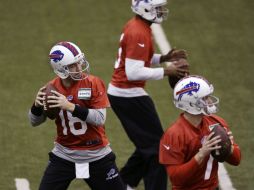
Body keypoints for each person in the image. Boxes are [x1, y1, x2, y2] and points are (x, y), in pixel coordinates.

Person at [107, 0, 189, 189]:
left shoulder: (138, 26)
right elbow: (133, 71)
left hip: (125, 94)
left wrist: (164, 58)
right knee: (158, 149)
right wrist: (165, 71)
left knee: (149, 144)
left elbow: (138, 57)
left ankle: (124, 183)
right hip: (127, 94)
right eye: (157, 7)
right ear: (145, 8)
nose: (161, 10)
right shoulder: (138, 31)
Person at [28, 41, 125, 190]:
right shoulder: (52, 89)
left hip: (97, 155)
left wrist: (70, 106)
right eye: (73, 65)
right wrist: (36, 106)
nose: (79, 67)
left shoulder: (93, 83)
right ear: (61, 69)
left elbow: (100, 118)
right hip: (64, 155)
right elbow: (34, 122)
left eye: (79, 62)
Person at [159, 75, 241, 190]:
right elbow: (176, 179)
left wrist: (229, 148)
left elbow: (236, 160)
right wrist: (202, 154)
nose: (210, 101)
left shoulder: (217, 122)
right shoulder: (173, 135)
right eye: (206, 98)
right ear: (192, 103)